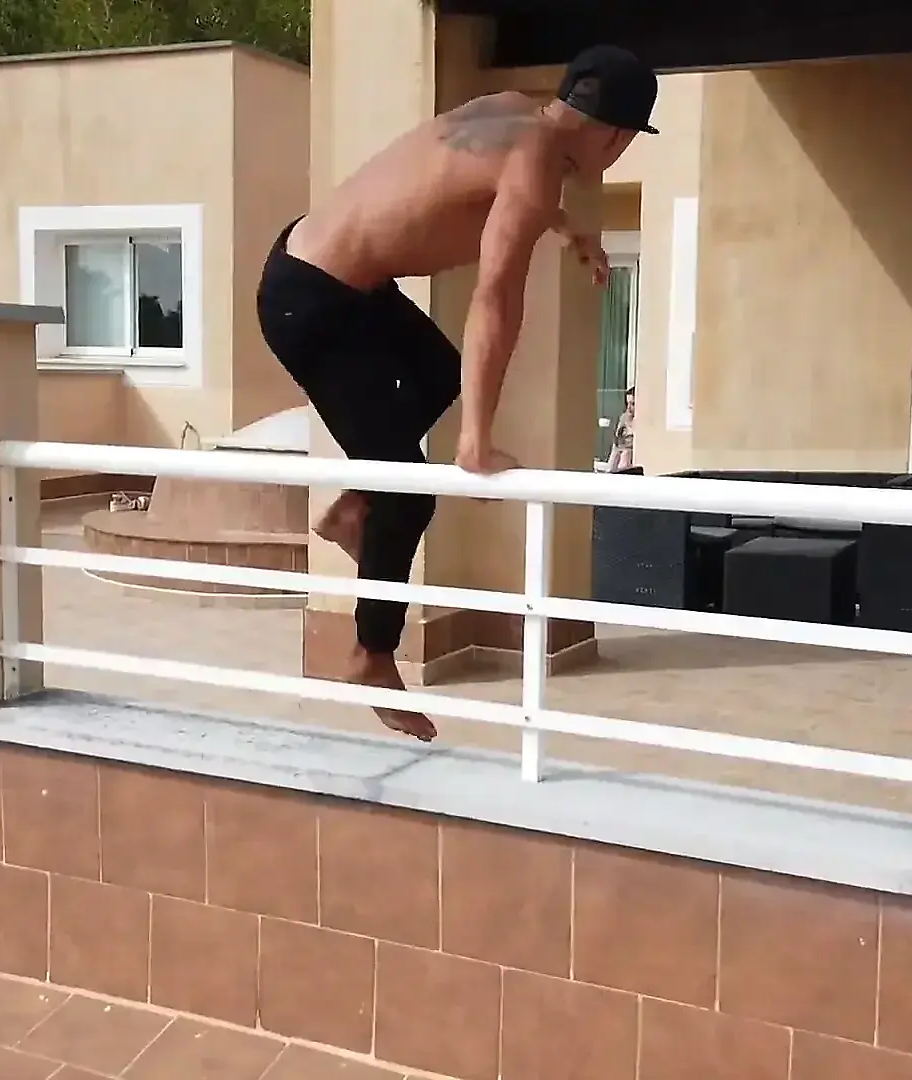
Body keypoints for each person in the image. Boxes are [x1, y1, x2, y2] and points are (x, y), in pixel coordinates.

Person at [256, 45, 659, 742]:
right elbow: (494, 298)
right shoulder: (537, 168)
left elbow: (483, 184)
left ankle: (354, 509)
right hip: (314, 303)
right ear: (616, 136)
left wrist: (569, 230)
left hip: (326, 274)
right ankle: (370, 654)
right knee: (409, 491)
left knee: (439, 374)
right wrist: (476, 441)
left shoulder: (511, 114)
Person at [604, 386, 636, 473]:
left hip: (629, 450)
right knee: (613, 460)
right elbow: (617, 436)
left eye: (633, 404)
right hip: (620, 448)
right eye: (627, 404)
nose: (629, 407)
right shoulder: (624, 417)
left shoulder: (641, 421)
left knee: (625, 458)